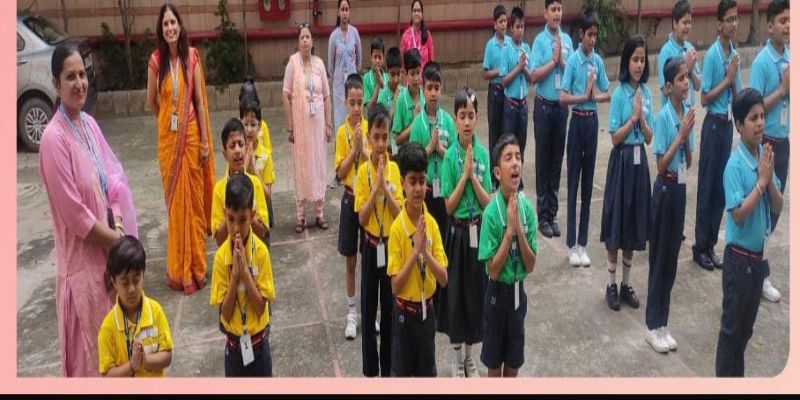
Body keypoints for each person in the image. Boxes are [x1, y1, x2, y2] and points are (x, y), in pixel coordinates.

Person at [40, 42, 138, 377]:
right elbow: (77, 217)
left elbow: (112, 181)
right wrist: (118, 241)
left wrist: (119, 225)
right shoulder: (53, 140)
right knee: (92, 367)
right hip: (82, 277)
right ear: (56, 83)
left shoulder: (90, 125)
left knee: (117, 361)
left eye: (82, 74)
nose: (79, 83)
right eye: (70, 77)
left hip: (108, 269)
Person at [146, 3, 215, 295]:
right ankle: (179, 271)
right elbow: (151, 102)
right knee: (176, 209)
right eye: (165, 24)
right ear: (161, 30)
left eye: (173, 22)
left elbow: (198, 101)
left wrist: (204, 142)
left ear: (180, 25)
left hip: (192, 139)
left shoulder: (192, 57)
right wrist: (169, 122)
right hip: (169, 143)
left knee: (195, 206)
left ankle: (197, 269)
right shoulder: (155, 62)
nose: (170, 28)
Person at [716, 88, 783, 376]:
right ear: (739, 125)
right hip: (739, 260)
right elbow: (738, 215)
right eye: (753, 118)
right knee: (731, 332)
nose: (760, 123)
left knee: (745, 331)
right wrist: (761, 182)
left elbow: (778, 205)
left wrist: (768, 179)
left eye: (762, 116)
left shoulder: (764, 157)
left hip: (757, 261)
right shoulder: (735, 165)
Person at [439, 88, 493, 378]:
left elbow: (488, 202)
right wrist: (465, 175)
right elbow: (448, 206)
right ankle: (457, 359)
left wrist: (474, 176)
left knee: (476, 294)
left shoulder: (483, 154)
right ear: (455, 120)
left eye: (472, 115)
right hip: (458, 234)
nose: (467, 122)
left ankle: (471, 357)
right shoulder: (450, 157)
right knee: (457, 296)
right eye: (462, 116)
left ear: (477, 118)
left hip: (478, 231)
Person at [601, 35, 654, 312]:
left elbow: (649, 138)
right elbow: (614, 137)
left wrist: (641, 119)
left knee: (633, 222)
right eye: (635, 59)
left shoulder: (647, 94)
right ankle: (611, 283)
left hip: (638, 162)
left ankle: (626, 283)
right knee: (616, 221)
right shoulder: (620, 94)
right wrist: (632, 118)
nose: (639, 65)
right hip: (621, 161)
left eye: (642, 60)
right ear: (626, 61)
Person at [646, 56, 695, 354]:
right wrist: (680, 135)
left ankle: (663, 322)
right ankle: (652, 325)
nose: (686, 83)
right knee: (660, 256)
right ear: (668, 87)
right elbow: (661, 163)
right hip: (665, 188)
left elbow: (688, 160)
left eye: (687, 77)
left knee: (673, 257)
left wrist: (687, 138)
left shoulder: (687, 113)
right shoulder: (663, 117)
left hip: (680, 188)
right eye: (680, 78)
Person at [478, 134, 538, 377]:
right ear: (497, 172)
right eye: (508, 158)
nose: (515, 164)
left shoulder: (526, 210)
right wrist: (509, 232)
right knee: (494, 365)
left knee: (513, 363)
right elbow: (493, 270)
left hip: (517, 293)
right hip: (496, 295)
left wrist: (519, 231)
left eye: (518, 157)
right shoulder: (491, 214)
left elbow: (530, 264)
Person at [387, 142, 449, 377]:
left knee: (427, 376)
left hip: (427, 314)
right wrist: (415, 253)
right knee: (403, 376)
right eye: (412, 181)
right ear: (402, 183)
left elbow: (443, 278)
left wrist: (425, 253)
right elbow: (395, 286)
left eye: (422, 181)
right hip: (404, 316)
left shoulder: (431, 224)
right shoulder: (397, 229)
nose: (418, 188)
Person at [210, 173, 276, 377]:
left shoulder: (261, 253)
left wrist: (245, 272)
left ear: (252, 215)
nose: (236, 228)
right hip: (233, 349)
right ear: (224, 214)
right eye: (230, 219)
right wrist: (235, 275)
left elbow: (260, 307)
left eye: (243, 220)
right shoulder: (221, 258)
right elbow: (225, 313)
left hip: (258, 346)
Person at [355, 104, 404, 376]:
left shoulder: (394, 170)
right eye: (376, 137)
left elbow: (400, 215)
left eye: (385, 137)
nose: (381, 143)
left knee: (389, 311)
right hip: (371, 246)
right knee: (368, 309)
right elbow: (362, 219)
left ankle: (388, 367)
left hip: (391, 248)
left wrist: (386, 186)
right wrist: (376, 189)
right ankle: (370, 371)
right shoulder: (363, 173)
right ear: (368, 137)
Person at [559, 8, 610, 268]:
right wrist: (584, 96)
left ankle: (582, 244)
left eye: (595, 35)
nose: (592, 39)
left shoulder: (597, 61)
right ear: (581, 34)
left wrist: (594, 96)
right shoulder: (573, 61)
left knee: (588, 185)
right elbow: (563, 97)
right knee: (573, 183)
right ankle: (571, 245)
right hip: (577, 121)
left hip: (592, 122)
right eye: (589, 35)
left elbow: (607, 92)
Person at [694, 0, 743, 272]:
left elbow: (738, 93)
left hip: (727, 125)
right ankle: (700, 247)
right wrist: (727, 79)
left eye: (736, 18)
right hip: (713, 125)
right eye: (729, 19)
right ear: (719, 24)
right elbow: (704, 98)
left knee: (721, 189)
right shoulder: (713, 55)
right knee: (707, 187)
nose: (734, 24)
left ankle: (711, 244)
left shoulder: (734, 54)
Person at [748, 0, 790, 303]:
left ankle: (758, 263)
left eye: (791, 21)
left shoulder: (790, 56)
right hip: (767, 144)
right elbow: (755, 108)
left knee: (775, 209)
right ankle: (759, 271)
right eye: (783, 21)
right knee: (762, 210)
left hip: (784, 141)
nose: (788, 26)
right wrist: (783, 90)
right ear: (769, 25)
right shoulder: (762, 62)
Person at [282, 22, 333, 234]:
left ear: (312, 41)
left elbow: (327, 96)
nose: (305, 41)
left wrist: (328, 125)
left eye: (308, 37)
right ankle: (301, 216)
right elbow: (285, 94)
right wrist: (290, 127)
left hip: (317, 126)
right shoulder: (292, 63)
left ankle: (319, 213)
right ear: (298, 41)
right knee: (302, 167)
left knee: (318, 165)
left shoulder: (319, 64)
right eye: (302, 37)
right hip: (301, 128)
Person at [98, 236, 173, 377]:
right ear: (113, 281)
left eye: (136, 280)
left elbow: (167, 356)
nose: (132, 289)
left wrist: (145, 360)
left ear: (143, 274)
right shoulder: (108, 328)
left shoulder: (155, 311)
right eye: (125, 283)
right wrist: (132, 366)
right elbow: (107, 376)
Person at [530, 0, 573, 237]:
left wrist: (562, 61)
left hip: (561, 107)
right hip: (544, 106)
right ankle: (542, 216)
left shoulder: (567, 41)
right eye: (553, 10)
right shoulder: (539, 41)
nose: (557, 14)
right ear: (545, 13)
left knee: (557, 161)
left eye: (559, 9)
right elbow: (534, 75)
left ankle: (553, 214)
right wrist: (553, 61)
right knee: (543, 160)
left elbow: (574, 74)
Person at [335, 74, 371, 340]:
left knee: (369, 261)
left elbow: (377, 162)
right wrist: (354, 149)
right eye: (352, 103)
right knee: (351, 260)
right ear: (345, 103)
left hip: (368, 200)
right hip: (350, 199)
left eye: (360, 103)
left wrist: (363, 148)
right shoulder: (341, 133)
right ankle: (351, 312)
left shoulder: (370, 128)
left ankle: (369, 313)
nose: (357, 108)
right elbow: (340, 172)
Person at [409, 61, 455, 238]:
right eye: (429, 88)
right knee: (426, 235)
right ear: (423, 89)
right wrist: (429, 149)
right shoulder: (417, 124)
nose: (433, 93)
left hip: (445, 190)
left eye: (437, 88)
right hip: (425, 191)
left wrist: (440, 149)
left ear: (441, 89)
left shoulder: (448, 121)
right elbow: (412, 161)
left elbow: (455, 158)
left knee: (444, 236)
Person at [211, 118, 270, 247]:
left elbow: (262, 232)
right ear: (225, 154)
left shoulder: (255, 184)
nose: (237, 150)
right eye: (232, 146)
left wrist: (247, 213)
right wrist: (230, 214)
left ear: (247, 148)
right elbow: (219, 240)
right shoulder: (219, 189)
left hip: (253, 252)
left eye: (241, 144)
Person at [328, 0, 362, 189]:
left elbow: (359, 58)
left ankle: (357, 163)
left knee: (356, 123)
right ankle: (339, 172)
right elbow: (330, 64)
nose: (345, 13)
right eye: (342, 9)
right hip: (340, 89)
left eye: (347, 9)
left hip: (353, 86)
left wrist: (354, 74)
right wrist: (338, 79)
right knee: (341, 127)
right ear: (338, 13)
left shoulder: (355, 33)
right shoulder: (333, 36)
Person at [499, 6, 534, 191]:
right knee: (508, 142)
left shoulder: (527, 49)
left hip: (523, 105)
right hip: (511, 105)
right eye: (517, 27)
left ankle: (518, 178)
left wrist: (524, 67)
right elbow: (504, 80)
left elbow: (532, 78)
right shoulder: (506, 50)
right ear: (511, 28)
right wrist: (518, 68)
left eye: (522, 27)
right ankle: (506, 178)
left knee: (521, 144)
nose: (520, 30)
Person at [239, 83, 276, 237]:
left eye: (253, 125)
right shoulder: (237, 153)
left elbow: (268, 195)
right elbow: (233, 185)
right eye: (245, 124)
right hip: (242, 219)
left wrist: (254, 170)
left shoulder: (265, 155)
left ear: (259, 126)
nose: (249, 129)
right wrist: (244, 166)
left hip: (260, 218)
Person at [657, 0, 702, 108]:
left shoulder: (690, 49)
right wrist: (683, 67)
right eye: (684, 23)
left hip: (689, 111)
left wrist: (690, 71)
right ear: (675, 23)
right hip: (672, 114)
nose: (688, 26)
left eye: (690, 23)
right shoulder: (666, 52)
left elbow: (698, 86)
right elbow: (664, 90)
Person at [482, 4, 511, 161]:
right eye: (500, 22)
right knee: (494, 131)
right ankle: (493, 170)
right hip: (495, 92)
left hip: (508, 91)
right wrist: (499, 71)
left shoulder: (510, 43)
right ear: (495, 25)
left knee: (505, 131)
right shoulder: (490, 45)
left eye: (505, 21)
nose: (504, 25)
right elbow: (485, 73)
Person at [391, 49, 426, 156]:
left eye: (418, 73)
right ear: (405, 74)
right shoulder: (402, 100)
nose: (416, 78)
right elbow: (396, 140)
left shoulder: (425, 97)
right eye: (412, 74)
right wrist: (414, 123)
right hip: (406, 156)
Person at [400, 0, 435, 72]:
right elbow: (402, 62)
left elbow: (431, 61)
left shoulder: (427, 35)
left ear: (422, 13)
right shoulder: (405, 36)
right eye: (414, 11)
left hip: (424, 77)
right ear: (411, 13)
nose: (416, 13)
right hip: (410, 78)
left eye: (419, 11)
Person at [364, 38, 389, 111]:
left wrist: (381, 80)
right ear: (370, 58)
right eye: (375, 57)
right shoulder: (366, 78)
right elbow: (368, 107)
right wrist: (378, 85)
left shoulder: (387, 77)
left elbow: (388, 100)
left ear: (383, 59)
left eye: (380, 57)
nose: (377, 61)